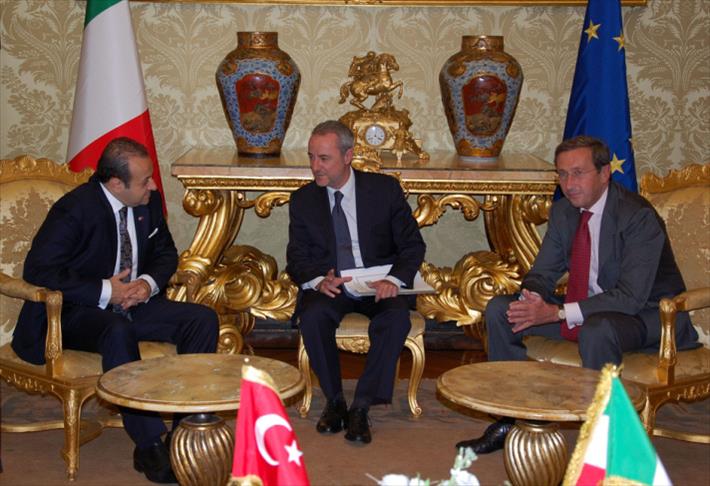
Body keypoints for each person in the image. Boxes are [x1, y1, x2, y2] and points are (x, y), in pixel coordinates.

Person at [456, 135, 699, 454]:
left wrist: (558, 313)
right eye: (562, 174)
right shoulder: (563, 213)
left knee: (598, 328)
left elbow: (630, 297)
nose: (569, 184)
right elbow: (543, 273)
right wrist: (532, 299)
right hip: (590, 310)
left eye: (578, 173)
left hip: (649, 317)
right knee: (503, 310)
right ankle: (511, 421)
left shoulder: (637, 216)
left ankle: (603, 439)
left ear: (604, 173)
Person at [12, 137, 219, 483]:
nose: (154, 186)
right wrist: (107, 290)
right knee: (116, 330)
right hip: (74, 313)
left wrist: (147, 284)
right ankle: (149, 445)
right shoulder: (75, 209)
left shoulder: (147, 203)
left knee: (202, 320)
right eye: (145, 180)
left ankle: (184, 432)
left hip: (135, 303)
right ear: (115, 183)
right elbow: (39, 270)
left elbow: (166, 253)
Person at [286, 120, 426, 445]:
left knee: (395, 319)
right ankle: (335, 401)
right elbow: (296, 257)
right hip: (333, 284)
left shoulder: (384, 190)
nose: (315, 166)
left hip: (379, 282)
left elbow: (412, 245)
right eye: (311, 157)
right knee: (313, 315)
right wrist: (318, 280)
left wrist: (393, 279)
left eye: (324, 158)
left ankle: (361, 406)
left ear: (348, 156)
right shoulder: (304, 200)